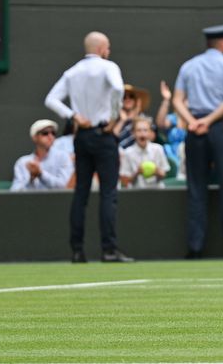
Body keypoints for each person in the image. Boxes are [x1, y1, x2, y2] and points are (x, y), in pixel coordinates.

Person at [42, 31, 132, 263]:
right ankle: (109, 250)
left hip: (81, 136)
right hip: (103, 134)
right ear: (101, 49)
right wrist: (114, 116)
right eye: (107, 47)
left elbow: (51, 99)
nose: (109, 51)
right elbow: (118, 88)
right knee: (108, 193)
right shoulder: (108, 67)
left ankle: (77, 250)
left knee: (81, 193)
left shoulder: (72, 72)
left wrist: (73, 116)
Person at [170, 25, 223, 258]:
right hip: (220, 128)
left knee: (196, 189)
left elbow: (177, 100)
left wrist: (193, 121)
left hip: (195, 130)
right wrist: (210, 120)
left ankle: (195, 248)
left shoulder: (189, 66)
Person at [10, 119, 74, 191]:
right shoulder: (23, 162)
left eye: (53, 133)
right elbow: (15, 191)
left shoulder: (63, 157)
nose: (50, 136)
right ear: (34, 137)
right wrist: (31, 180)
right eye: (45, 133)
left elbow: (65, 186)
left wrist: (40, 174)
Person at [119, 117, 169, 188]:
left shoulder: (158, 149)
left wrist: (157, 171)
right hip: (136, 192)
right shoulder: (127, 153)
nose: (142, 134)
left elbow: (164, 174)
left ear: (150, 133)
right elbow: (124, 181)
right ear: (133, 133)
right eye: (139, 130)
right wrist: (137, 173)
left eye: (145, 130)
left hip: (157, 190)